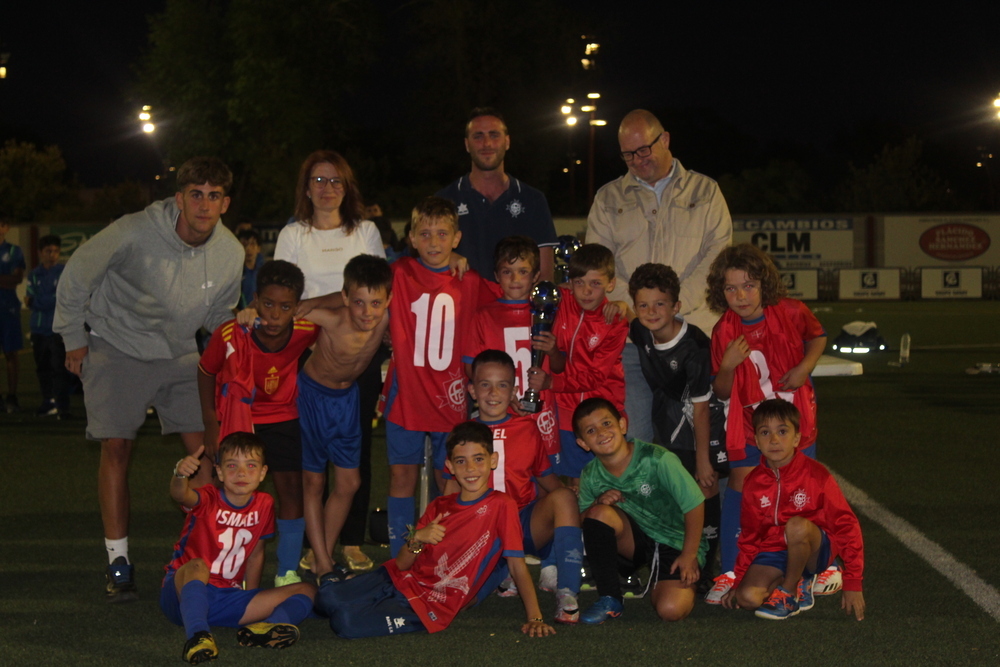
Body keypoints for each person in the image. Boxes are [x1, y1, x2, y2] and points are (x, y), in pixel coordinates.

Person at [53, 156, 244, 602]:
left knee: (208, 450)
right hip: (116, 346)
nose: (204, 204)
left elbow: (218, 314)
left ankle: (212, 554)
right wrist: (72, 336)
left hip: (179, 353)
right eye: (195, 194)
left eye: (213, 196)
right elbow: (78, 274)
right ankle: (118, 561)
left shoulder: (231, 252)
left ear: (226, 203)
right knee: (117, 447)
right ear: (179, 198)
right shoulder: (134, 230)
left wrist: (234, 349)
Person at [314, 421, 556, 639]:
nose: (470, 468)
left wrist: (535, 617)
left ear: (493, 460)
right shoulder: (439, 505)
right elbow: (401, 565)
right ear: (450, 466)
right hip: (397, 579)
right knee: (326, 598)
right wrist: (418, 537)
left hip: (431, 603)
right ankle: (338, 587)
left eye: (479, 458)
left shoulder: (502, 505)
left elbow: (516, 564)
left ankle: (343, 588)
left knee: (345, 623)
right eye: (461, 461)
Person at [586, 109, 732, 445]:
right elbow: (600, 266)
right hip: (633, 344)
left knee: (704, 442)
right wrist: (643, 313)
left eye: (643, 150)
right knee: (636, 441)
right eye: (627, 155)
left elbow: (717, 258)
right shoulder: (608, 199)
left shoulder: (706, 191)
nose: (636, 161)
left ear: (664, 140)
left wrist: (671, 311)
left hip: (697, 339)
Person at [275, 150, 386, 572]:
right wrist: (330, 310)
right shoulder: (293, 235)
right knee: (311, 461)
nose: (327, 188)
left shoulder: (366, 231)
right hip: (307, 359)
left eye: (335, 180)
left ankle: (352, 542)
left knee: (355, 456)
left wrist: (329, 307)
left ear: (348, 187)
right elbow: (286, 301)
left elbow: (376, 288)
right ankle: (314, 545)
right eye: (319, 181)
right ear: (306, 188)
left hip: (360, 357)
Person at [704, 243, 827, 604]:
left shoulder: (789, 310)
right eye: (730, 288)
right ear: (719, 291)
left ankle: (812, 569)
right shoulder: (723, 330)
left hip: (793, 416)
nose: (740, 295)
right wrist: (726, 365)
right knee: (741, 483)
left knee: (799, 487)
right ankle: (730, 571)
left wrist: (805, 367)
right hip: (746, 418)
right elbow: (722, 392)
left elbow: (817, 337)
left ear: (764, 284)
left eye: (749, 285)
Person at [382, 196, 498, 557]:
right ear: (412, 238)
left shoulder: (470, 278)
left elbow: (509, 301)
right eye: (425, 234)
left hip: (450, 395)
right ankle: (401, 552)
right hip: (407, 393)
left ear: (456, 238)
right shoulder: (399, 272)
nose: (434, 242)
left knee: (448, 477)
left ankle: (442, 549)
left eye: (442, 234)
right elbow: (361, 290)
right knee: (401, 477)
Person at [198, 260, 319, 587]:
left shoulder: (308, 329)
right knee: (230, 492)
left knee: (290, 489)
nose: (275, 314)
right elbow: (206, 370)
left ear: (297, 306)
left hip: (283, 417)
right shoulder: (231, 332)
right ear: (254, 300)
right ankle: (225, 570)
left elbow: (341, 307)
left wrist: (314, 307)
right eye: (267, 304)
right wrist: (211, 422)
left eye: (285, 306)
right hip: (240, 418)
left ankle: (287, 571)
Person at [450, 350, 582, 624]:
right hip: (481, 534)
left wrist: (571, 507)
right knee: (462, 603)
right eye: (485, 384)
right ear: (472, 390)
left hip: (522, 526)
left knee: (564, 497)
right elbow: (450, 492)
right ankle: (503, 571)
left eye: (502, 385)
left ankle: (568, 592)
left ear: (513, 391)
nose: (493, 392)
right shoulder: (462, 432)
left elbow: (547, 480)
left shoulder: (527, 428)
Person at [162, 432, 316, 664]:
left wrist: (248, 594)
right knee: (197, 565)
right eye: (232, 465)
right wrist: (180, 474)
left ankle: (265, 628)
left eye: (251, 465)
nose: (241, 473)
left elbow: (256, 553)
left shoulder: (264, 504)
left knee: (307, 590)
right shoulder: (209, 498)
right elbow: (180, 494)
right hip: (183, 592)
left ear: (263, 472)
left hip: (227, 595)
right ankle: (198, 635)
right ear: (220, 472)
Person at [627, 262, 725, 589]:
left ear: (676, 306)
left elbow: (699, 409)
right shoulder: (639, 330)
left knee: (704, 487)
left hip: (698, 424)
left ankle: (705, 572)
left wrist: (703, 459)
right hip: (665, 426)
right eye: (643, 304)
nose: (651, 311)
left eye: (660, 304)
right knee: (670, 493)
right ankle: (668, 560)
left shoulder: (695, 347)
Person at [295, 254, 393, 581]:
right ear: (346, 298)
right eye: (359, 303)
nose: (367, 312)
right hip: (312, 397)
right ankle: (323, 562)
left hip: (347, 399)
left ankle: (322, 550)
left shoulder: (385, 319)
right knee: (315, 481)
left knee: (349, 482)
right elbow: (293, 309)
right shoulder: (333, 318)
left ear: (387, 300)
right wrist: (326, 299)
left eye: (375, 303)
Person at [721, 399, 865, 621]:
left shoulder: (816, 474)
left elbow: (846, 524)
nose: (775, 439)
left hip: (814, 548)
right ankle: (796, 581)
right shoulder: (753, 482)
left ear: (797, 438)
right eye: (765, 432)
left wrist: (853, 581)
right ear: (757, 441)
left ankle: (789, 592)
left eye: (782, 431)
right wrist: (738, 582)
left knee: (796, 525)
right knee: (748, 598)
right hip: (775, 551)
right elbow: (750, 537)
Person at [573, 398, 706, 624]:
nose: (602, 433)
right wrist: (598, 502)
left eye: (607, 424)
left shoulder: (657, 459)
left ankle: (676, 582)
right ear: (583, 443)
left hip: (675, 542)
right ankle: (610, 597)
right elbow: (582, 521)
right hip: (635, 543)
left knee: (670, 609)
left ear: (623, 425)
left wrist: (689, 553)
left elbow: (694, 504)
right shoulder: (590, 474)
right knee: (599, 514)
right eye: (591, 430)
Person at [526, 243, 628, 484]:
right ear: (570, 283)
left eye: (596, 283)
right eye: (579, 283)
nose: (586, 291)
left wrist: (552, 382)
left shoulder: (614, 321)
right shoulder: (559, 302)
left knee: (605, 484)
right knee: (570, 482)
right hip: (563, 411)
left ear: (610, 284)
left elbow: (595, 376)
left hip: (601, 413)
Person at [461, 235, 559, 462]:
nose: (515, 279)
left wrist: (553, 353)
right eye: (507, 272)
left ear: (535, 276)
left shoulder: (549, 312)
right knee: (505, 473)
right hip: (500, 410)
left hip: (541, 410)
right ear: (496, 276)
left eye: (523, 272)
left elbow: (561, 365)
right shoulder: (484, 316)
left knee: (545, 477)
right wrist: (505, 395)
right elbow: (470, 367)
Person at [437, 107, 559, 281]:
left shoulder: (533, 200)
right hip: (462, 307)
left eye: (494, 135)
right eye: (478, 136)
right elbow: (428, 264)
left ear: (507, 142)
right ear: (467, 144)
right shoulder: (444, 200)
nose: (487, 143)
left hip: (516, 308)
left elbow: (545, 277)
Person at [24, 234, 72, 417]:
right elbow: (29, 300)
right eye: (48, 251)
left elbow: (61, 298)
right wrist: (49, 299)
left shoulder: (65, 272)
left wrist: (38, 300)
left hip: (58, 329)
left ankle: (63, 405)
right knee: (42, 368)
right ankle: (48, 401)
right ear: (40, 253)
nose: (52, 254)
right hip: (38, 328)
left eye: (55, 251)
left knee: (60, 368)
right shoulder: (34, 274)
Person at [0, 217, 25, 413]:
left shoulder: (14, 250)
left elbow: (16, 279)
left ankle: (12, 396)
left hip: (8, 308)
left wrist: (8, 280)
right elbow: (9, 279)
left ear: (6, 227)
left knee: (11, 353)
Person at [236, 228, 265, 309]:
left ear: (258, 248)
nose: (248, 248)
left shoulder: (264, 272)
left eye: (252, 244)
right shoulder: (234, 272)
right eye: (244, 245)